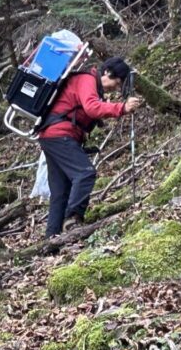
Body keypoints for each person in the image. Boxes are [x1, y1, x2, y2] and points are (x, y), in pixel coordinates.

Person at [38, 56, 141, 237]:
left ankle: (51, 240)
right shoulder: (87, 79)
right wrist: (122, 108)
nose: (115, 88)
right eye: (117, 83)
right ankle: (72, 220)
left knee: (60, 191)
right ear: (107, 72)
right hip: (60, 135)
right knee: (85, 173)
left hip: (51, 136)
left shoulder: (92, 85)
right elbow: (92, 108)